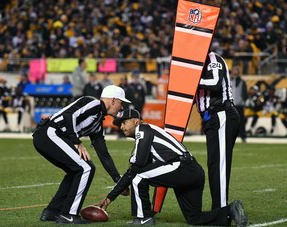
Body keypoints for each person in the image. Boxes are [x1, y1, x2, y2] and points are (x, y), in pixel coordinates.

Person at [97, 109, 247, 226]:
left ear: (136, 121)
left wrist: (111, 196)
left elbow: (136, 168)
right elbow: (134, 169)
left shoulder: (142, 129)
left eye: (124, 122)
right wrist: (110, 198)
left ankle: (144, 219)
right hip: (193, 171)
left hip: (182, 167)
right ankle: (230, 211)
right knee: (194, 218)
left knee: (138, 176)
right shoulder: (148, 134)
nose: (121, 126)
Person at [32, 85, 131, 224]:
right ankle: (69, 214)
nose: (121, 108)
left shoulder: (97, 123)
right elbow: (68, 115)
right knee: (86, 168)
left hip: (49, 136)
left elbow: (104, 155)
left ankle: (52, 211)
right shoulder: (94, 103)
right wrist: (76, 142)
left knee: (76, 171)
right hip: (49, 133)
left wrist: (118, 181)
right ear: (113, 100)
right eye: (121, 103)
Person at [195, 51, 240, 209]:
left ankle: (221, 210)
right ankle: (219, 208)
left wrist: (191, 79)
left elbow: (215, 82)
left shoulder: (213, 59)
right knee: (214, 165)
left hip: (222, 113)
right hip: (212, 119)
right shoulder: (197, 65)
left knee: (219, 164)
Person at [231, 66, 248, 142]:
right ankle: (231, 136)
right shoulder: (229, 80)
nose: (235, 72)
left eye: (236, 70)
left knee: (241, 121)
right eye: (234, 70)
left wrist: (242, 100)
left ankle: (243, 136)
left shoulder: (242, 82)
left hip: (239, 104)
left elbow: (245, 93)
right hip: (231, 105)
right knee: (231, 122)